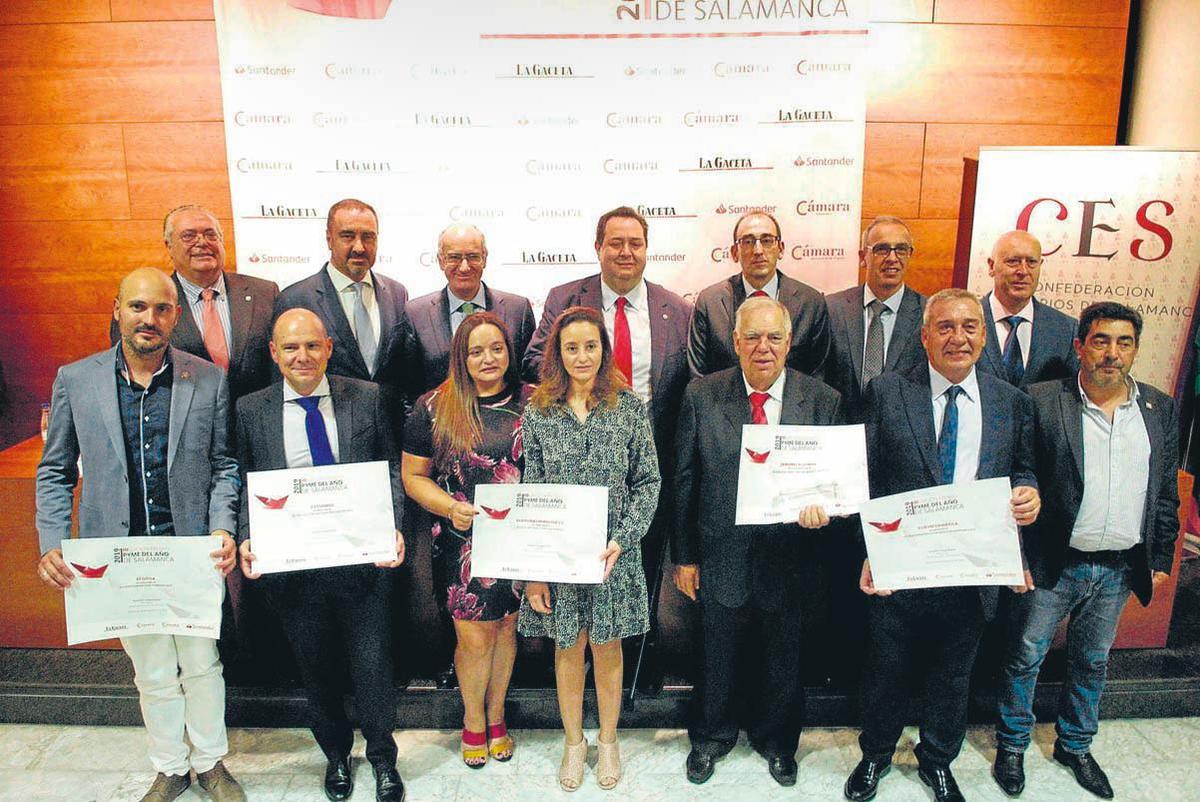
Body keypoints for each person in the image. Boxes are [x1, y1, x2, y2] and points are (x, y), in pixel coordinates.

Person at [36, 268, 244, 802]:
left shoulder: (209, 378)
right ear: (117, 309)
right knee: (151, 669)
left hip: (191, 553)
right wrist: (53, 541)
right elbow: (56, 469)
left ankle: (211, 763)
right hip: (116, 557)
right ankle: (171, 766)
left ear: (176, 315)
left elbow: (224, 465)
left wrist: (223, 526)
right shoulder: (75, 380)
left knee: (202, 665)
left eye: (161, 308)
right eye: (137, 307)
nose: (148, 319)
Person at [846, 289, 1041, 802]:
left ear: (984, 334)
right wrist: (869, 548)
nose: (959, 337)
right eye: (947, 327)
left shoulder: (1011, 403)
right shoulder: (888, 392)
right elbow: (864, 478)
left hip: (973, 571)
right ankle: (876, 756)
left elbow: (1023, 469)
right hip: (900, 567)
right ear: (926, 335)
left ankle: (937, 760)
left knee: (953, 677)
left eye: (971, 326)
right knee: (885, 671)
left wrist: (1030, 495)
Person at [993, 302, 1179, 800]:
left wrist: (1160, 556)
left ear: (1136, 350)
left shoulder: (1158, 409)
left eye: (1124, 343)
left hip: (1120, 565)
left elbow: (1164, 492)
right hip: (1056, 560)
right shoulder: (1042, 400)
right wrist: (1021, 553)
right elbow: (1020, 471)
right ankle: (1012, 746)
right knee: (1024, 656)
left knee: (1092, 661)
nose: (1111, 354)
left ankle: (1075, 745)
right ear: (1080, 346)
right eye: (1100, 341)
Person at [235, 309, 406, 802]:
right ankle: (335, 755)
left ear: (329, 347)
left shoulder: (368, 398)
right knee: (316, 668)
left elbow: (390, 470)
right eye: (291, 348)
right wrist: (248, 535)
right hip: (293, 567)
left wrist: (392, 527)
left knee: (373, 666)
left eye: (312, 346)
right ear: (274, 353)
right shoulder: (251, 409)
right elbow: (245, 481)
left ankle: (382, 759)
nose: (302, 356)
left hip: (361, 564)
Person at [672, 297, 844, 787]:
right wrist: (684, 556)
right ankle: (710, 737)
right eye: (752, 337)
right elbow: (685, 480)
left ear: (789, 343)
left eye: (773, 337)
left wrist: (825, 512)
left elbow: (837, 484)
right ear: (735, 342)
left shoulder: (822, 400)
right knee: (717, 654)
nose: (762, 347)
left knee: (784, 655)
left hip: (791, 556)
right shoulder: (701, 396)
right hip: (721, 551)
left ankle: (778, 742)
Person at [523, 206, 690, 693]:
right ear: (598, 248)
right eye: (615, 243)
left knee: (635, 561)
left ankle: (635, 659)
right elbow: (538, 359)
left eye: (634, 243)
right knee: (576, 574)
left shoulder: (675, 309)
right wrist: (581, 388)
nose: (625, 252)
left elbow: (687, 387)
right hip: (573, 455)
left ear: (646, 248)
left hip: (637, 462)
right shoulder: (563, 298)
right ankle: (583, 668)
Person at [518, 306, 661, 791]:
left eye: (591, 346)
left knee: (607, 647)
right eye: (571, 347)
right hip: (558, 561)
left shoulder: (629, 408)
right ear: (558, 354)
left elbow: (648, 481)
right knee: (567, 648)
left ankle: (610, 740)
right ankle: (574, 742)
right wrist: (535, 570)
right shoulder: (537, 412)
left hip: (612, 556)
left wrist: (625, 537)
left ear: (605, 350)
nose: (582, 356)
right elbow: (530, 491)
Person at [402, 312, 527, 769]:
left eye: (497, 348)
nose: (488, 358)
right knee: (474, 638)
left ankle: (498, 717)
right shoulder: (433, 406)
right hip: (462, 543)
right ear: (461, 356)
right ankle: (473, 718)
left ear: (509, 353)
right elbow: (413, 476)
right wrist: (448, 507)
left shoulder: (534, 403)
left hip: (520, 541)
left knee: (507, 629)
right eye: (476, 350)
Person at [109, 205, 279, 403]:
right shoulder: (146, 304)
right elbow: (128, 375)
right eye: (188, 236)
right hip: (185, 426)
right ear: (169, 246)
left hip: (252, 424)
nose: (202, 242)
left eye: (210, 235)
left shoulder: (265, 293)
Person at [274, 198, 410, 426]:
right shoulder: (296, 299)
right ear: (329, 238)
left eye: (368, 236)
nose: (359, 247)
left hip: (391, 428)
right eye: (348, 236)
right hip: (333, 429)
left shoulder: (397, 293)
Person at [688, 210, 830, 379]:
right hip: (724, 403)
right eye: (747, 242)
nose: (758, 250)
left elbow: (819, 380)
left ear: (781, 249)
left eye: (767, 240)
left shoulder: (811, 303)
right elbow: (697, 378)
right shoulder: (710, 303)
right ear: (734, 252)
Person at [403, 223, 535, 402]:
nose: (464, 267)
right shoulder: (415, 315)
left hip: (507, 423)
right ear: (441, 260)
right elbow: (408, 389)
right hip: (441, 424)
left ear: (485, 258)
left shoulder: (518, 310)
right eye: (454, 257)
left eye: (473, 257)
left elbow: (528, 378)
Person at [824, 215, 926, 422]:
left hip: (901, 435)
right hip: (841, 430)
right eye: (882, 249)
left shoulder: (928, 314)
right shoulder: (832, 308)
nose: (892, 258)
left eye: (901, 249)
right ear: (863, 257)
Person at [978, 230, 1078, 388]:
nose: (1023, 271)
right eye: (1013, 261)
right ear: (991, 266)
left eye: (1031, 262)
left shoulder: (1066, 329)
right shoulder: (965, 322)